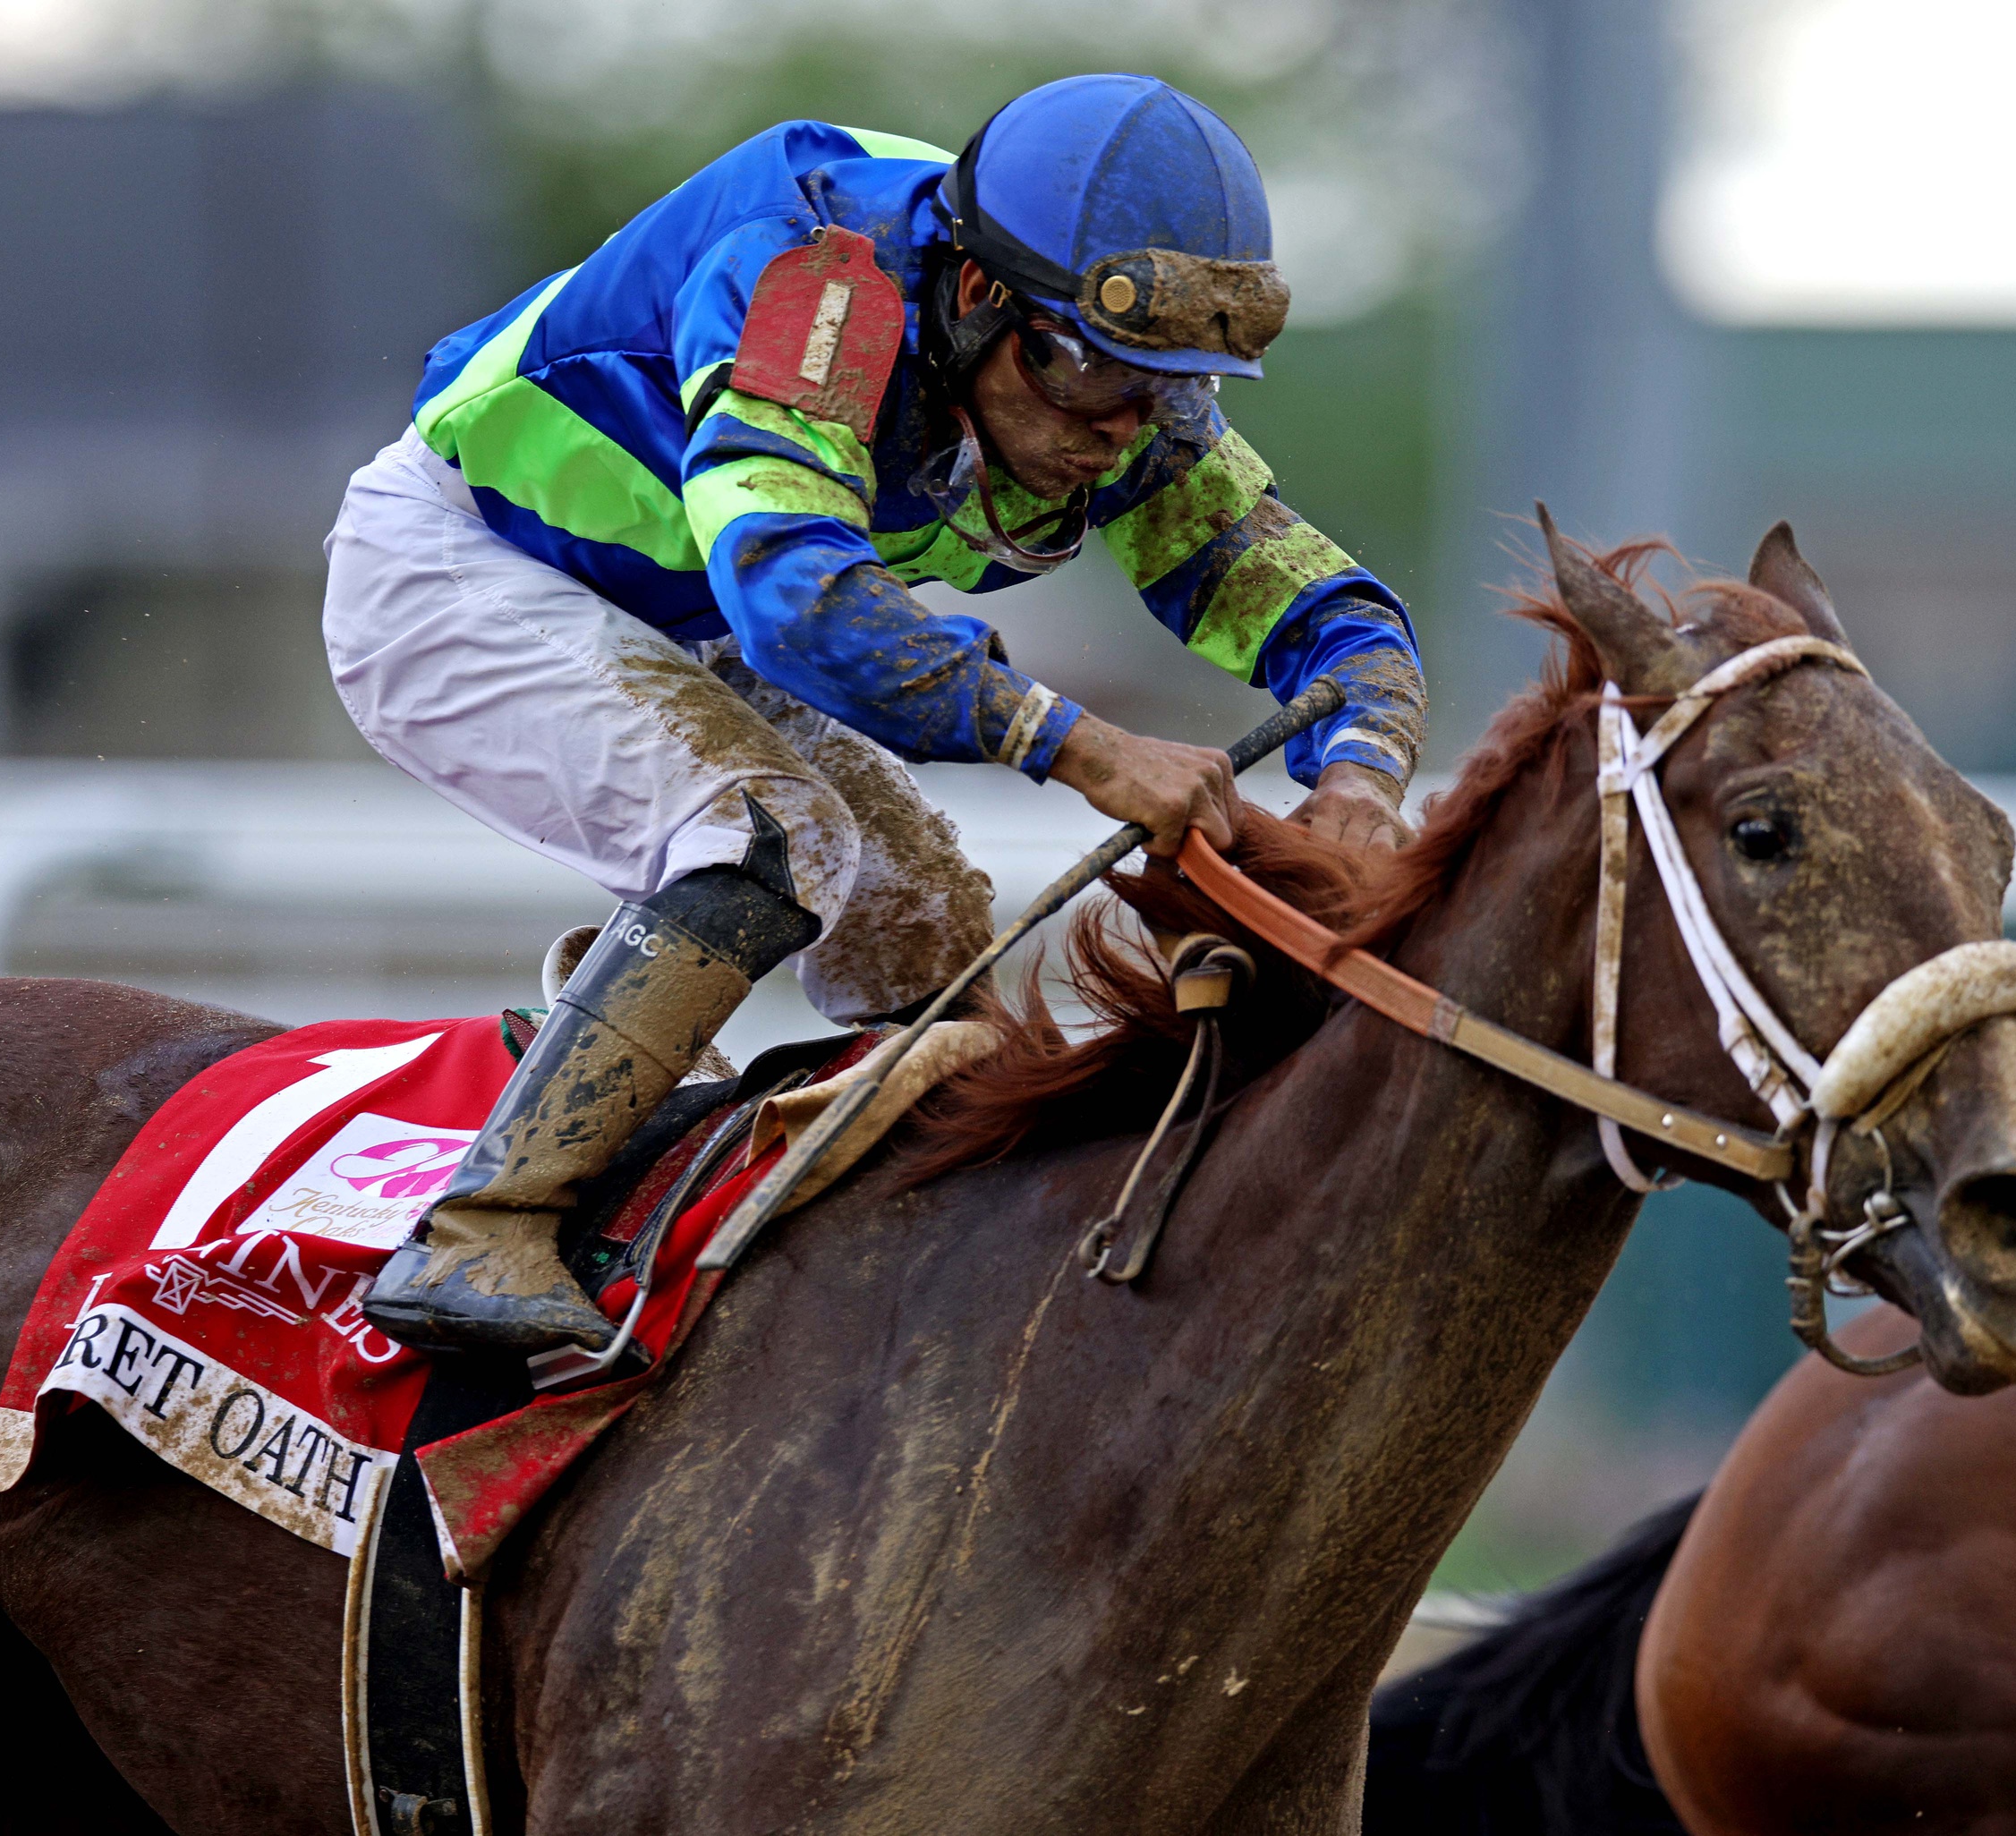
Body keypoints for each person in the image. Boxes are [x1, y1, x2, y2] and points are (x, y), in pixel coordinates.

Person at [323, 73, 1430, 1355]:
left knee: (925, 922)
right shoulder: (819, 279)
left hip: (673, 618)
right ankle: (481, 1226)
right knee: (770, 835)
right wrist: (1087, 749)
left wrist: (1360, 778)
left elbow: (1331, 620)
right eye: (1085, 377)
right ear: (974, 295)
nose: (1115, 435)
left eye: (1166, 393)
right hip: (461, 569)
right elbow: (797, 604)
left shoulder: (1103, 386)